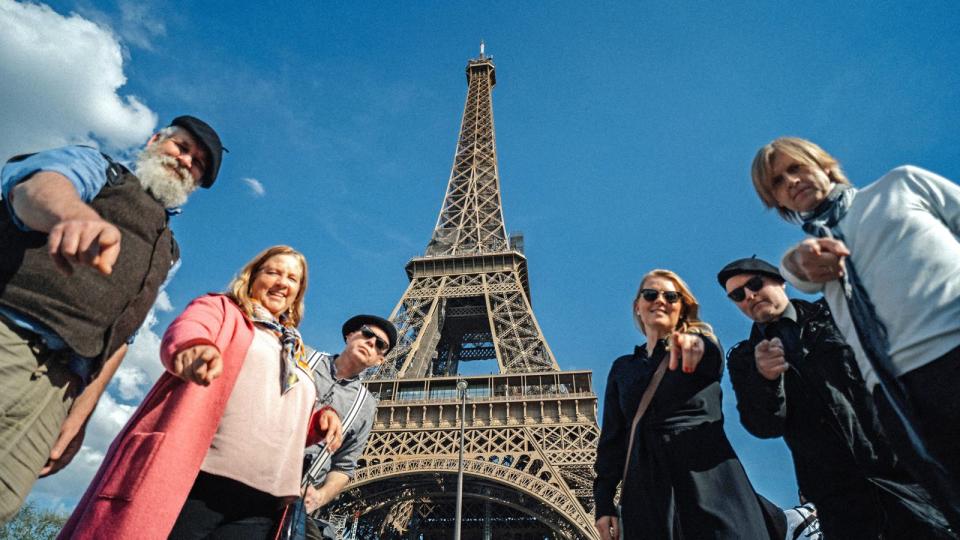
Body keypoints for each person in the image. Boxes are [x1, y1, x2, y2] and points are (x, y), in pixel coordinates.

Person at [0, 116, 225, 522]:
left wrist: (80, 414)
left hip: (61, 385)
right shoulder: (98, 170)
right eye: (182, 146)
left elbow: (122, 337)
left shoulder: (168, 252)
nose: (186, 160)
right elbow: (35, 187)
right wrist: (70, 215)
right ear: (156, 139)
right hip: (10, 336)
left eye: (198, 163)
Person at [59, 246, 342, 540]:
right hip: (199, 478)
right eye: (273, 272)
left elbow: (276, 407)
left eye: (293, 278)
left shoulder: (295, 349)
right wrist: (194, 345)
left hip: (263, 500)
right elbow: (190, 329)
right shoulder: (223, 309)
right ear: (252, 277)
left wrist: (318, 422)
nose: (283, 282)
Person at [751, 137, 960, 527]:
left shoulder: (902, 184)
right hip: (900, 401)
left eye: (797, 167)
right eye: (778, 182)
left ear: (823, 162)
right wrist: (794, 262)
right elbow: (797, 274)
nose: (792, 181)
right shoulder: (818, 258)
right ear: (777, 202)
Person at [719, 256, 953, 539]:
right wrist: (767, 380)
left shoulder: (835, 314)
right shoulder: (746, 358)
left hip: (901, 471)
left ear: (781, 281)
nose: (749, 296)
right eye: (737, 295)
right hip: (839, 499)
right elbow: (764, 425)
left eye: (755, 284)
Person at [593, 269, 771, 540]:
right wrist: (604, 502)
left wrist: (696, 341)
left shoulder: (700, 349)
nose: (660, 300)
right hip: (648, 492)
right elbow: (613, 442)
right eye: (650, 294)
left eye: (671, 296)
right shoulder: (623, 368)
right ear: (637, 308)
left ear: (683, 309)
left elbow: (710, 357)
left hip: (704, 479)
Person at [293, 314, 395, 540]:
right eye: (367, 333)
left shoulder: (365, 405)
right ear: (350, 335)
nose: (371, 342)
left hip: (294, 496)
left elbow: (345, 465)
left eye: (381, 345)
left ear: (380, 360)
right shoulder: (302, 356)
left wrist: (319, 497)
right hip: (252, 471)